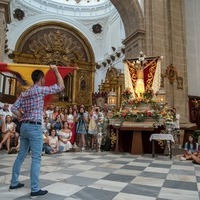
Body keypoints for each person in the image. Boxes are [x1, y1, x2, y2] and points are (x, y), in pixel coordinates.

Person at [9, 65, 65, 198]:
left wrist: (21, 116)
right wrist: (56, 70)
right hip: (34, 127)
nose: (45, 80)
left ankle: (14, 182)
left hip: (24, 127)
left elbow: (14, 108)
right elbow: (61, 86)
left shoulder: (24, 93)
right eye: (44, 78)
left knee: (21, 156)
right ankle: (34, 190)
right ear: (41, 79)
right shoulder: (39, 90)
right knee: (36, 158)